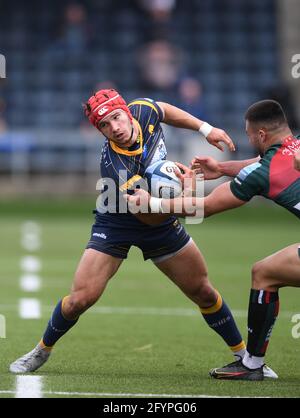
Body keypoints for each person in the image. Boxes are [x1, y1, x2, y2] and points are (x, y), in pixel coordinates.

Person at [10, 88, 252, 376]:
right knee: (81, 299)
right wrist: (186, 191)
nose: (115, 128)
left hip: (160, 211)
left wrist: (205, 128)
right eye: (104, 126)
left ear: (127, 111)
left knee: (203, 291)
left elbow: (164, 109)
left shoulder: (142, 110)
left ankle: (246, 358)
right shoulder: (116, 165)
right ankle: (41, 349)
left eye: (116, 118)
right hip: (118, 221)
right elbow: (147, 218)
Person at [126, 99, 300, 381]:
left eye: (249, 135)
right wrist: (222, 169)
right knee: (264, 271)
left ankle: (252, 364)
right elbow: (263, 161)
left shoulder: (262, 174)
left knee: (264, 275)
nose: (249, 139)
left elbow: (202, 208)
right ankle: (253, 364)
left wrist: (152, 203)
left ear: (261, 135)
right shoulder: (294, 146)